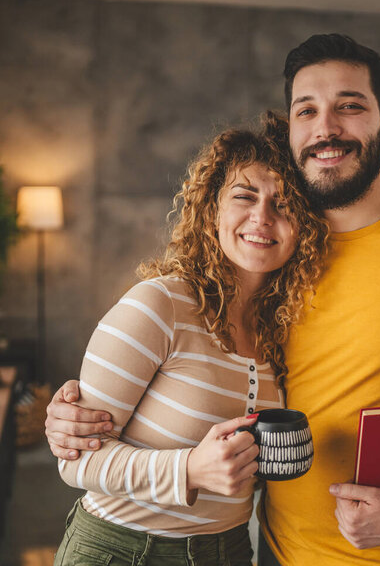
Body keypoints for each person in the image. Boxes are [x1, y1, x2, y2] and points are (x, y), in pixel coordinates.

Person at [46, 34, 380, 566]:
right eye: (307, 110)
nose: (326, 127)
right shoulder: (278, 264)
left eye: (350, 106)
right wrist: (76, 415)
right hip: (269, 554)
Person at [49, 112, 329, 566]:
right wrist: (189, 470)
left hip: (230, 549)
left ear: (303, 226)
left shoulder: (282, 329)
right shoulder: (159, 306)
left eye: (283, 204)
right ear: (212, 209)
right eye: (244, 196)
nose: (262, 217)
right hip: (119, 550)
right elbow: (75, 461)